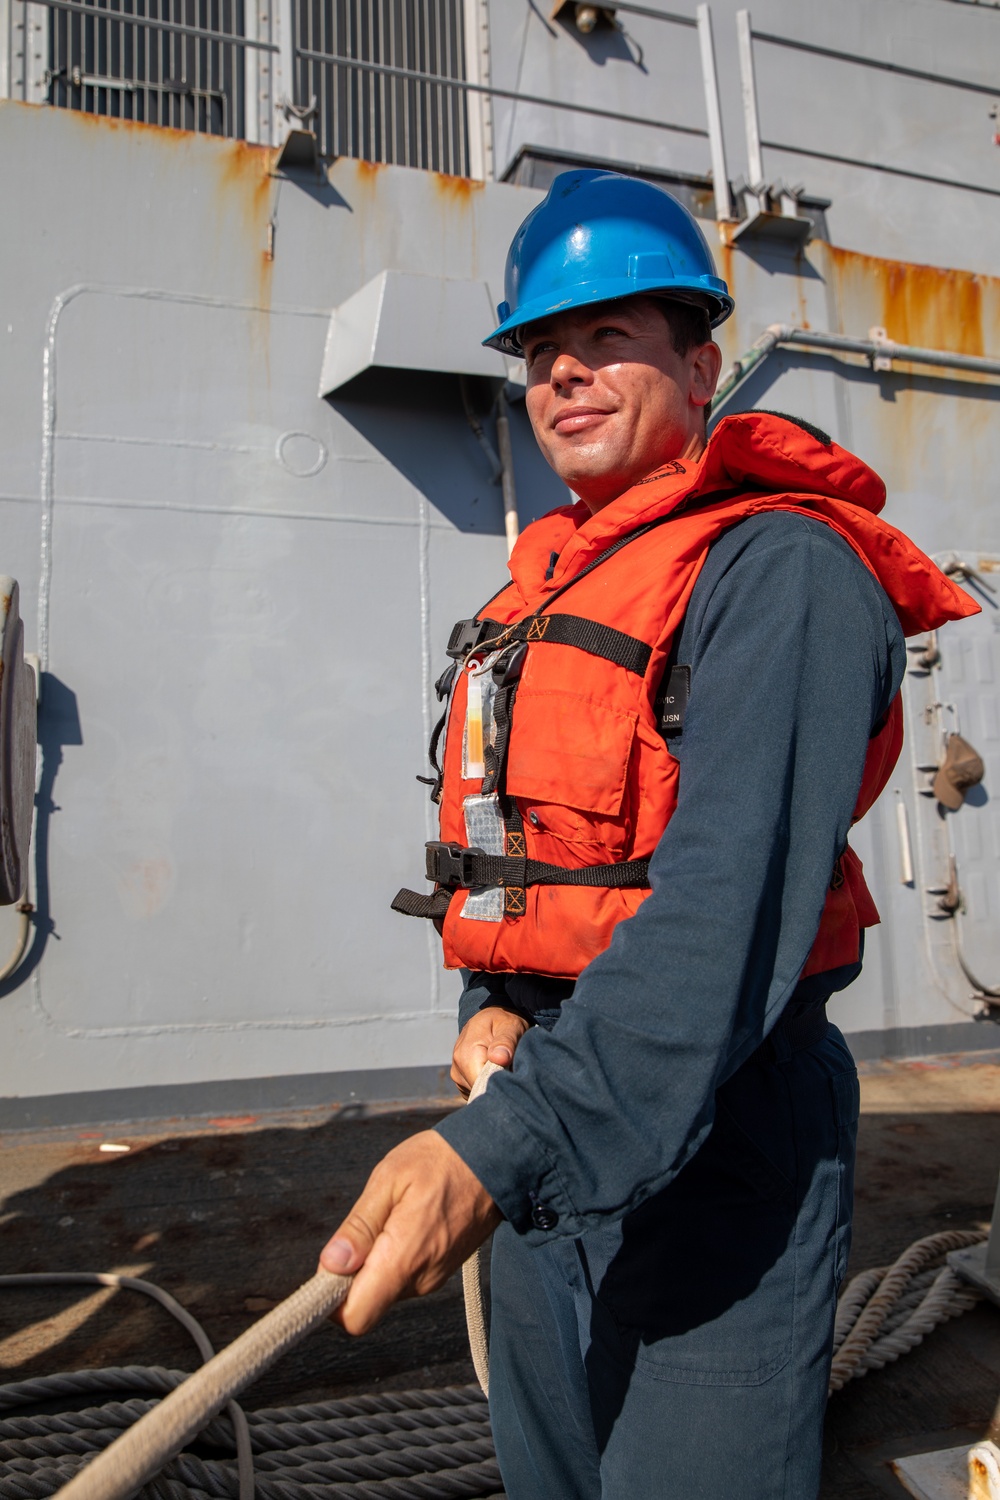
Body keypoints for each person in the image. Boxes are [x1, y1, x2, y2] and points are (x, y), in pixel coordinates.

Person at [318, 170, 977, 1498]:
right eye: (543, 350)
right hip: (549, 1105)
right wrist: (491, 994)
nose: (565, 373)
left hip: (718, 1131)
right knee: (554, 1474)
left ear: (701, 362)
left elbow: (723, 915)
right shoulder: (545, 583)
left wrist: (497, 1155)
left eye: (610, 339)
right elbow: (536, 835)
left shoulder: (782, 571)